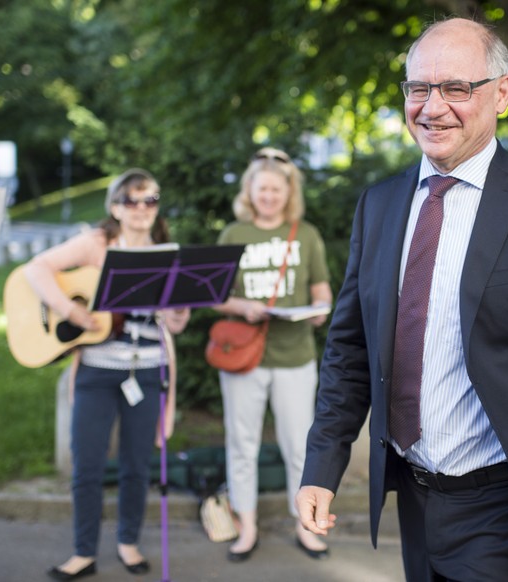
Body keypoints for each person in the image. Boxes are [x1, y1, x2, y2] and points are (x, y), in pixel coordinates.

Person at [295, 18, 508, 582]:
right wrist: (322, 467)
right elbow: (350, 348)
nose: (432, 107)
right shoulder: (379, 206)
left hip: (504, 502)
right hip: (413, 493)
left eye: (456, 88)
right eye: (418, 88)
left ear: (501, 94)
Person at [24, 168, 189, 580]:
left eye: (149, 200)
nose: (141, 209)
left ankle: (128, 543)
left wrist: (177, 310)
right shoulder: (98, 243)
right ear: (115, 206)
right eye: (131, 201)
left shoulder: (167, 251)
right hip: (96, 371)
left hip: (148, 371)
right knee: (88, 464)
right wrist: (72, 311)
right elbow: (36, 269)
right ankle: (83, 551)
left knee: (137, 465)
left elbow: (177, 324)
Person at [213, 147, 333, 563]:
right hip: (244, 356)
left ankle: (306, 526)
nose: (269, 196)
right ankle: (246, 528)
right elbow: (213, 296)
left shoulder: (306, 235)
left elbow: (321, 292)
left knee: (300, 446)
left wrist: (319, 312)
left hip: (294, 355)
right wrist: (241, 307)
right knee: (241, 443)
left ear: (288, 192)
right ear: (250, 191)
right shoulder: (233, 235)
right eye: (262, 189)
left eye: (276, 189)